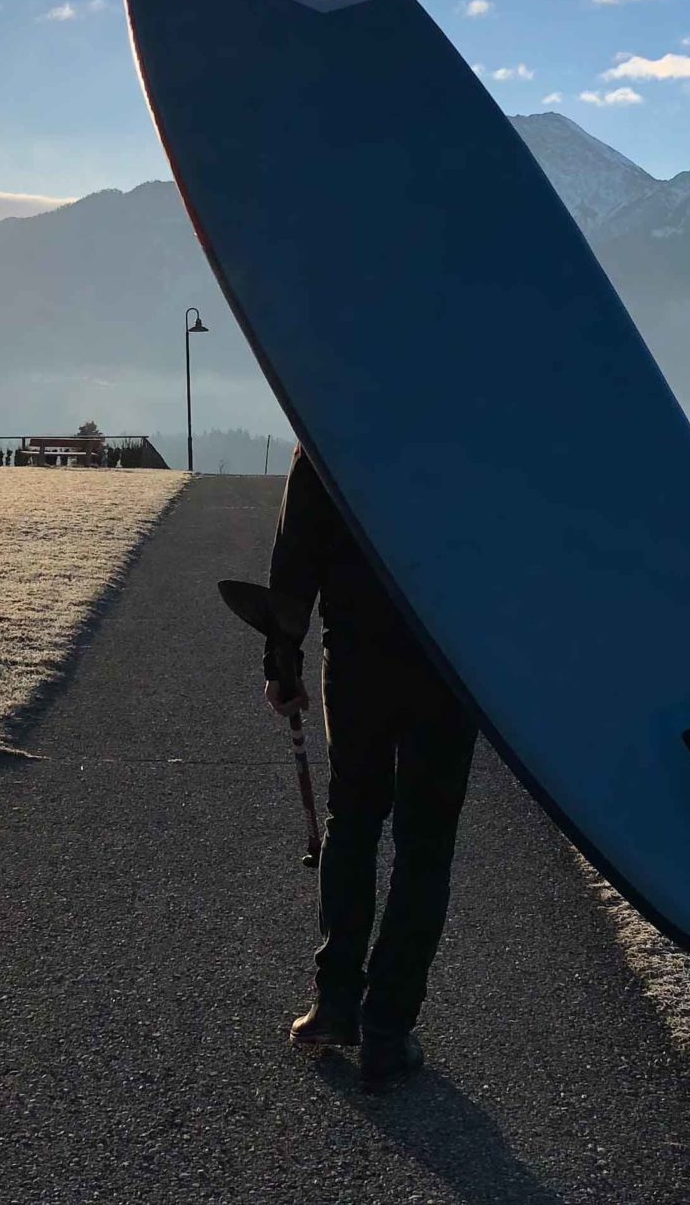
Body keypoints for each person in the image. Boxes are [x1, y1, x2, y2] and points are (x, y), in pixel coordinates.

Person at [255, 446, 479, 1093]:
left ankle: (335, 1001)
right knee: (425, 845)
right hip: (450, 661)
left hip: (356, 654)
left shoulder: (328, 414)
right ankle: (386, 1027)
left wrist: (281, 664)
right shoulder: (470, 410)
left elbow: (296, 554)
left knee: (352, 820)